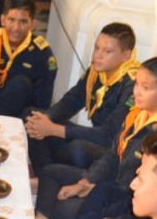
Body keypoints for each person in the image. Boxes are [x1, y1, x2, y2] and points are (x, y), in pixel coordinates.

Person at [34, 56, 157, 219]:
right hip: (108, 185)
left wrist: (94, 196)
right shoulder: (137, 114)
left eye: (146, 87)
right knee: (51, 172)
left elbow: (140, 194)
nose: (137, 92)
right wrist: (85, 182)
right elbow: (113, 155)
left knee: (63, 210)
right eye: (137, 84)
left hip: (128, 201)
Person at [26, 23, 139, 175]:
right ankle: (44, 175)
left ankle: (52, 174)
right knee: (32, 116)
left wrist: (53, 129)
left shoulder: (132, 85)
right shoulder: (98, 70)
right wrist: (47, 118)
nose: (97, 55)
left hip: (113, 150)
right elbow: (72, 100)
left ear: (126, 56)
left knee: (77, 150)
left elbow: (109, 135)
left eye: (107, 51)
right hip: (95, 137)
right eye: (97, 48)